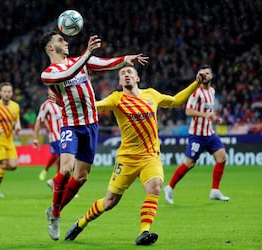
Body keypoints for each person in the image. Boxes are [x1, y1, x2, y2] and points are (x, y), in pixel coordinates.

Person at [64, 65, 202, 245]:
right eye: (123, 74)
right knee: (109, 202)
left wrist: (196, 83)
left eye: (130, 72)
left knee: (155, 186)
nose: (126, 75)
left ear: (137, 78)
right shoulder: (116, 98)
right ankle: (81, 223)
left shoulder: (152, 94)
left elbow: (176, 101)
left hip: (150, 156)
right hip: (127, 159)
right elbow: (96, 106)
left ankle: (144, 232)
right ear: (120, 82)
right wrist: (72, 102)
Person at [39, 30, 149, 241]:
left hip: (91, 125)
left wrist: (126, 59)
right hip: (70, 125)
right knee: (66, 168)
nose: (66, 41)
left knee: (81, 177)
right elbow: (66, 75)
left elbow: (107, 63)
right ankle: (55, 215)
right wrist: (87, 53)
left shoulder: (81, 61)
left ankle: (53, 209)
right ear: (51, 48)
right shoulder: (49, 73)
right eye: (61, 39)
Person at [163, 65, 229, 205]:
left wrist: (214, 119)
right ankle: (169, 188)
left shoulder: (212, 91)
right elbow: (188, 111)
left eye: (207, 73)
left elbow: (208, 112)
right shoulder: (196, 92)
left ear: (211, 76)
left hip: (209, 133)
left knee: (222, 157)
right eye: (202, 73)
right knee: (189, 163)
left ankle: (215, 190)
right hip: (197, 135)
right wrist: (206, 115)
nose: (205, 75)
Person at [0, 82, 21, 198]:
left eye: (9, 92)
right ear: (0, 93)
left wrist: (17, 125)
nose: (7, 94)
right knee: (3, 165)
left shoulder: (15, 106)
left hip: (9, 140)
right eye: (5, 91)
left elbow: (17, 119)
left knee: (13, 166)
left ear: (11, 93)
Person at [33, 88, 62, 189]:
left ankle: (56, 183)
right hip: (55, 137)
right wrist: (35, 139)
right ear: (48, 91)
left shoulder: (64, 101)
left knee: (64, 162)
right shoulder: (46, 105)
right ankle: (52, 177)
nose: (53, 91)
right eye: (51, 89)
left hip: (66, 135)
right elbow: (39, 121)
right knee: (61, 157)